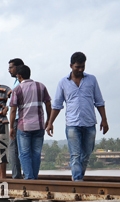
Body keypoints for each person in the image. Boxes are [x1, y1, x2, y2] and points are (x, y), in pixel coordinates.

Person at [46, 52, 109, 181]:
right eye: (77, 67)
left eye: (82, 67)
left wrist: (104, 119)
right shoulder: (63, 83)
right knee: (75, 155)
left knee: (86, 155)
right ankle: (77, 182)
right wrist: (50, 123)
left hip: (89, 123)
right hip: (72, 125)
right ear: (71, 66)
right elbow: (57, 105)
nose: (80, 69)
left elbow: (99, 101)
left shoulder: (92, 79)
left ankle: (80, 178)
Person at [9, 65, 52, 179]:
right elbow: (48, 103)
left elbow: (13, 109)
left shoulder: (17, 90)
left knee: (24, 154)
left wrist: (11, 127)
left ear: (19, 76)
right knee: (36, 154)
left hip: (24, 127)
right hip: (39, 126)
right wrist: (49, 119)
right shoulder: (41, 86)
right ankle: (34, 178)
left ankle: (29, 178)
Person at [8, 58, 25, 179]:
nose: (9, 70)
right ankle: (26, 175)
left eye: (11, 67)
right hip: (22, 118)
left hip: (18, 118)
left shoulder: (20, 83)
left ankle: (16, 177)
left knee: (14, 149)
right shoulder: (16, 82)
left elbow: (14, 107)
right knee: (23, 149)